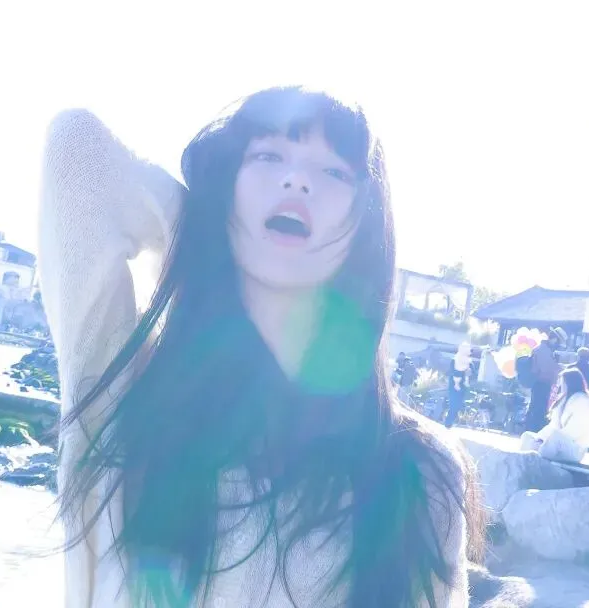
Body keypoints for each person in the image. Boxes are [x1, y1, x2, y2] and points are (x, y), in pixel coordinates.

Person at [37, 88, 482, 607]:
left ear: (366, 220)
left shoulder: (416, 468)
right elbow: (77, 147)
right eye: (268, 156)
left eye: (334, 171)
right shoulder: (131, 395)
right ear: (229, 182)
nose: (297, 180)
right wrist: (205, 229)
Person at [519, 368, 589, 463]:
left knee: (555, 437)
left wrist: (549, 440)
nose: (561, 386)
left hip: (574, 448)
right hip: (558, 441)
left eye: (563, 383)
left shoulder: (583, 401)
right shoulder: (563, 400)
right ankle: (524, 462)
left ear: (570, 383)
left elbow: (576, 429)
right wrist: (541, 438)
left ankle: (538, 462)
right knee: (527, 436)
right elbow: (553, 425)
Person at [524, 332, 561, 432]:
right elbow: (546, 369)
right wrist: (557, 367)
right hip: (542, 382)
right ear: (554, 339)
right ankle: (534, 430)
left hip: (540, 382)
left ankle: (530, 428)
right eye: (558, 342)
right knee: (539, 408)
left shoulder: (543, 349)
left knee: (535, 406)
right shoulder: (543, 350)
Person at [444, 343, 472, 428]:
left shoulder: (469, 362)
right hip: (454, 386)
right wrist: (462, 372)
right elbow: (452, 372)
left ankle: (450, 421)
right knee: (453, 404)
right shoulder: (454, 360)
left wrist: (470, 372)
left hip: (463, 386)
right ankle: (448, 423)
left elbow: (472, 372)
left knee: (458, 405)